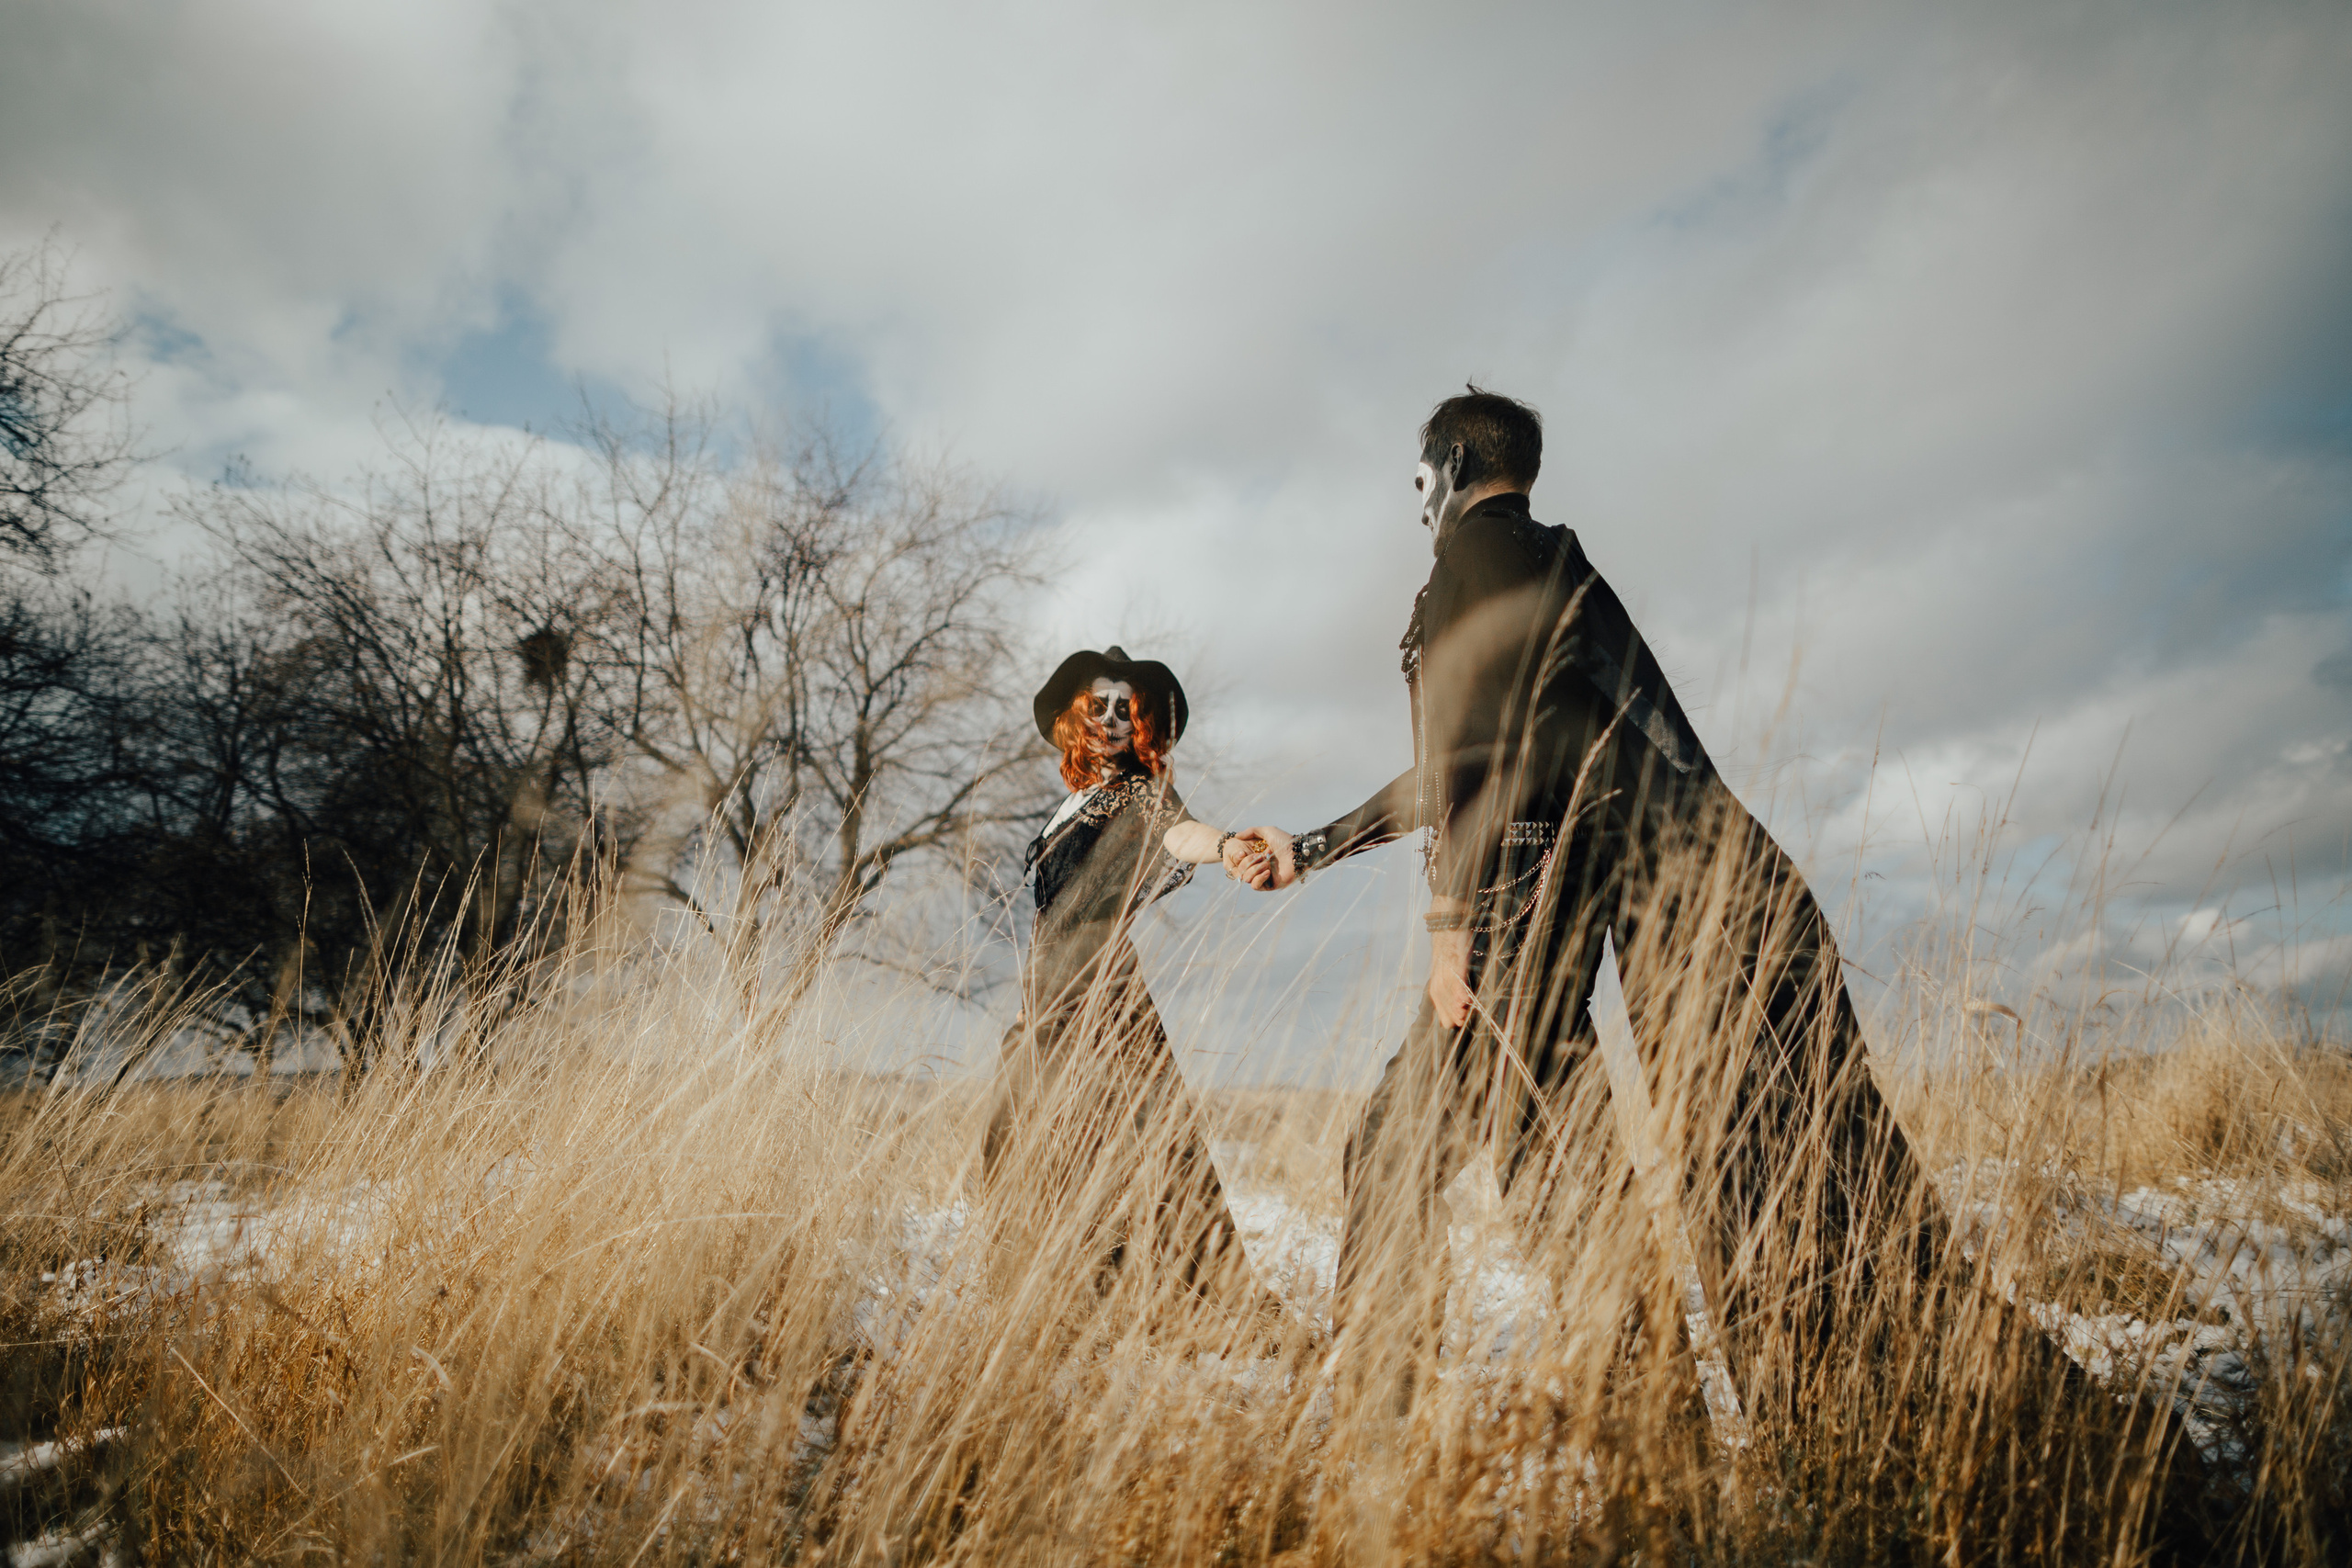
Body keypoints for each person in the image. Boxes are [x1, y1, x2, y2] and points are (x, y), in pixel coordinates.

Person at [981, 646, 1276, 1315]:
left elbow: (1180, 834)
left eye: (1126, 709)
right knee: (1020, 1130)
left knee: (1143, 1144)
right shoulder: (1074, 802)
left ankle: (1187, 1303)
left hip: (1099, 991)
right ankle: (1052, 1293)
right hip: (1048, 992)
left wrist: (1227, 845)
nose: (1112, 720)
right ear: (1075, 718)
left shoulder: (1138, 791)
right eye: (1100, 707)